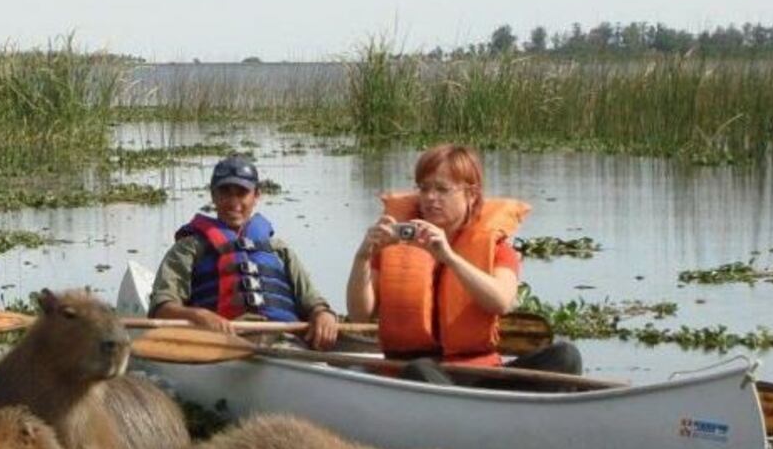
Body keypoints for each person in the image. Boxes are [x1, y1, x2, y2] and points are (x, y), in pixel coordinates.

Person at [346, 143, 581, 383]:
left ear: (471, 195)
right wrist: (362, 257)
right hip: (414, 375)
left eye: (442, 189)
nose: (430, 198)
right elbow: (359, 314)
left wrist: (449, 258)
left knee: (565, 356)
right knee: (420, 369)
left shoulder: (497, 248)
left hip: (480, 375)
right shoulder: (393, 244)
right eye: (424, 188)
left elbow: (501, 301)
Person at [150, 154, 339, 350]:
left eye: (241, 193)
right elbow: (161, 308)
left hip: (285, 339)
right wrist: (199, 316)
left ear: (256, 195)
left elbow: (312, 300)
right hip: (223, 342)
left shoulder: (279, 249)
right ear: (213, 195)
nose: (233, 202)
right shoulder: (189, 248)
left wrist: (323, 314)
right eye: (225, 192)